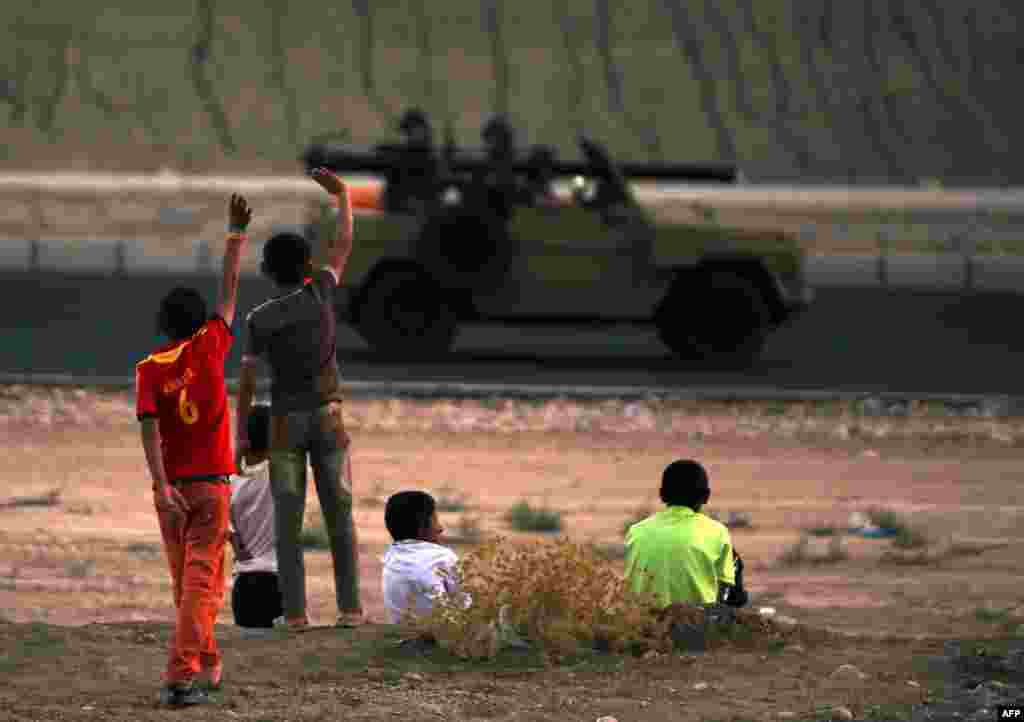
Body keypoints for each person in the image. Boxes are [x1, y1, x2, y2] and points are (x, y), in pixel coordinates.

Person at [136, 194, 251, 707]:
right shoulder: (209, 347)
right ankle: (181, 678)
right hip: (210, 489)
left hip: (173, 490)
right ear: (198, 321)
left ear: (163, 324)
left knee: (188, 584)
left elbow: (147, 428)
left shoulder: (148, 369)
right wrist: (234, 234)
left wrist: (160, 485)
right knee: (201, 585)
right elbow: (229, 291)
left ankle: (207, 665)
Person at [237, 167, 363, 630]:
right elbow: (344, 242)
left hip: (284, 425)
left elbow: (249, 384)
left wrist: (238, 434)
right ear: (307, 265)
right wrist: (343, 195)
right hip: (330, 420)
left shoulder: (259, 319)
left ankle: (296, 616)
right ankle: (350, 611)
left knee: (287, 527)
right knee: (340, 518)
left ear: (268, 271)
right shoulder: (322, 294)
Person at [624, 459, 746, 609]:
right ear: (706, 496)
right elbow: (729, 593)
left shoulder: (636, 531)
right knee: (734, 568)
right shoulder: (716, 532)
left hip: (642, 622)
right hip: (694, 625)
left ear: (662, 494)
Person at [228, 403, 284, 633]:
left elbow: (227, 529)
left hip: (244, 585)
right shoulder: (281, 474)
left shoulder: (229, 481)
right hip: (277, 581)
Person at [381, 491, 462, 624]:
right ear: (422, 527)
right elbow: (465, 604)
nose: (440, 528)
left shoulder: (390, 558)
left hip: (403, 634)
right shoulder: (443, 557)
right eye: (435, 520)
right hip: (445, 636)